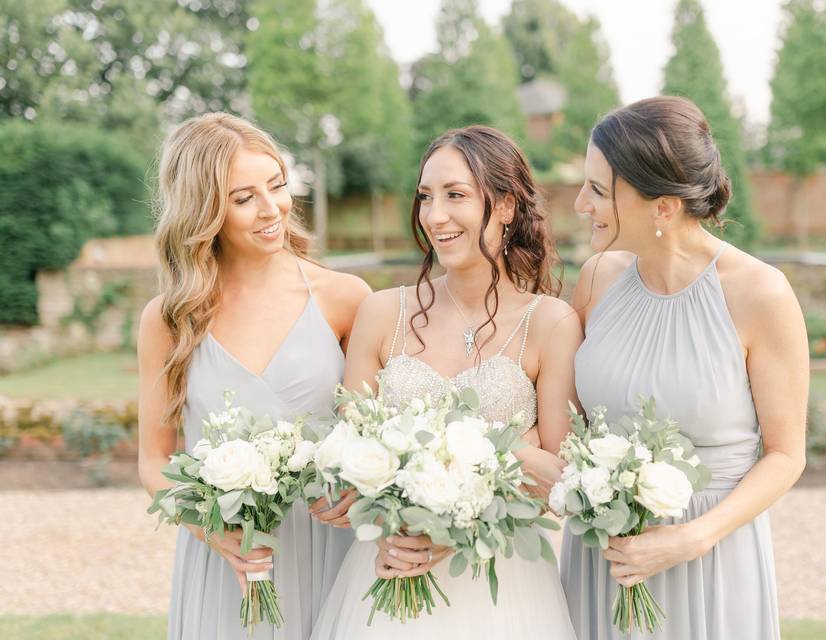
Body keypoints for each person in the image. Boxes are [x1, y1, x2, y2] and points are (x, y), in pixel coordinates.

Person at [311, 125, 581, 639]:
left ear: (504, 206)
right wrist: (374, 517)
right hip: (390, 572)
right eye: (425, 197)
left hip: (505, 591)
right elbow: (347, 455)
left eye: (455, 195)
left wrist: (460, 517)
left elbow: (560, 482)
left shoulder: (551, 323)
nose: (435, 216)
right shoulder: (381, 311)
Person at [561, 96, 808, 640]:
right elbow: (566, 426)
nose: (581, 203)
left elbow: (787, 454)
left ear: (663, 207)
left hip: (710, 556)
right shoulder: (597, 279)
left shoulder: (759, 293)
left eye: (599, 190)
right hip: (605, 554)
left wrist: (694, 537)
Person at [137, 112, 370, 639]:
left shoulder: (346, 299)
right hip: (226, 564)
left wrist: (360, 490)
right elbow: (154, 462)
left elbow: (375, 436)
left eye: (278, 185)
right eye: (244, 198)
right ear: (204, 210)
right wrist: (212, 533)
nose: (272, 210)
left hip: (329, 552)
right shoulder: (169, 319)